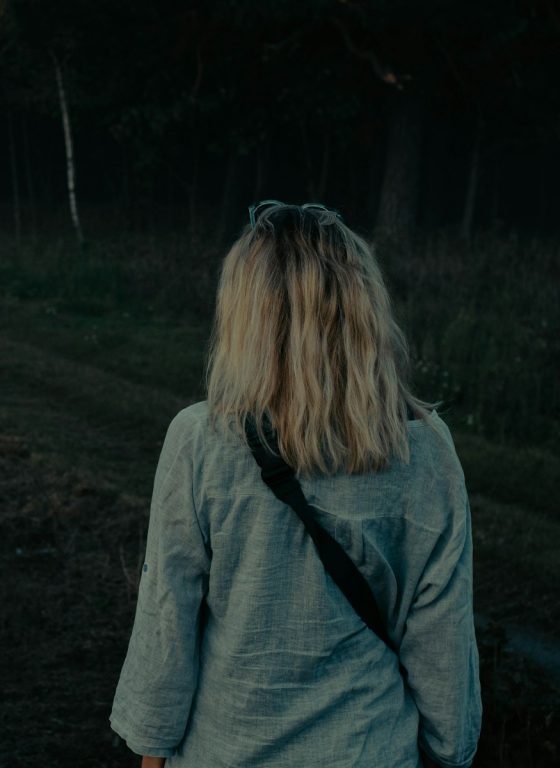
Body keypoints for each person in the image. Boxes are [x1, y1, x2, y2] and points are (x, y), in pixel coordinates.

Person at [110, 201, 481, 767]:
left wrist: (151, 753)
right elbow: (443, 641)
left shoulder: (199, 440)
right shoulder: (424, 452)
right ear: (362, 311)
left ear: (247, 318)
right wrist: (448, 750)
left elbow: (168, 623)